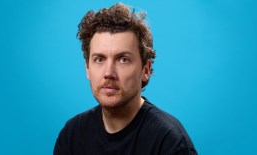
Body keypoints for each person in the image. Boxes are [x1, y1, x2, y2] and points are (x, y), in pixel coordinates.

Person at [54, 3, 197, 155]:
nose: (109, 72)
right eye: (99, 59)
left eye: (123, 59)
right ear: (87, 69)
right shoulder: (72, 135)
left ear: (145, 70)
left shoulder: (170, 142)